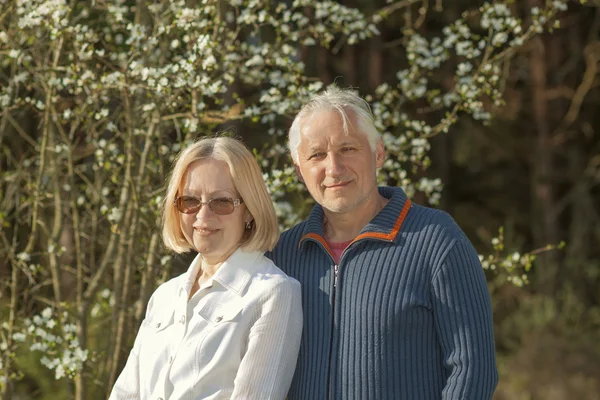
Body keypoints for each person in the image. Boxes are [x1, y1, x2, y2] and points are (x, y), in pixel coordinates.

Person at [267, 86, 498, 400]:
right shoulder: (282, 255)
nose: (333, 168)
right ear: (299, 170)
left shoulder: (436, 240)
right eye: (317, 155)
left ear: (378, 152)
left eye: (347, 149)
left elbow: (472, 370)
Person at [109, 137, 303, 400]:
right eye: (189, 201)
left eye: (221, 202)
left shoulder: (273, 293)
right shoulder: (165, 296)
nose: (202, 216)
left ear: (249, 210)